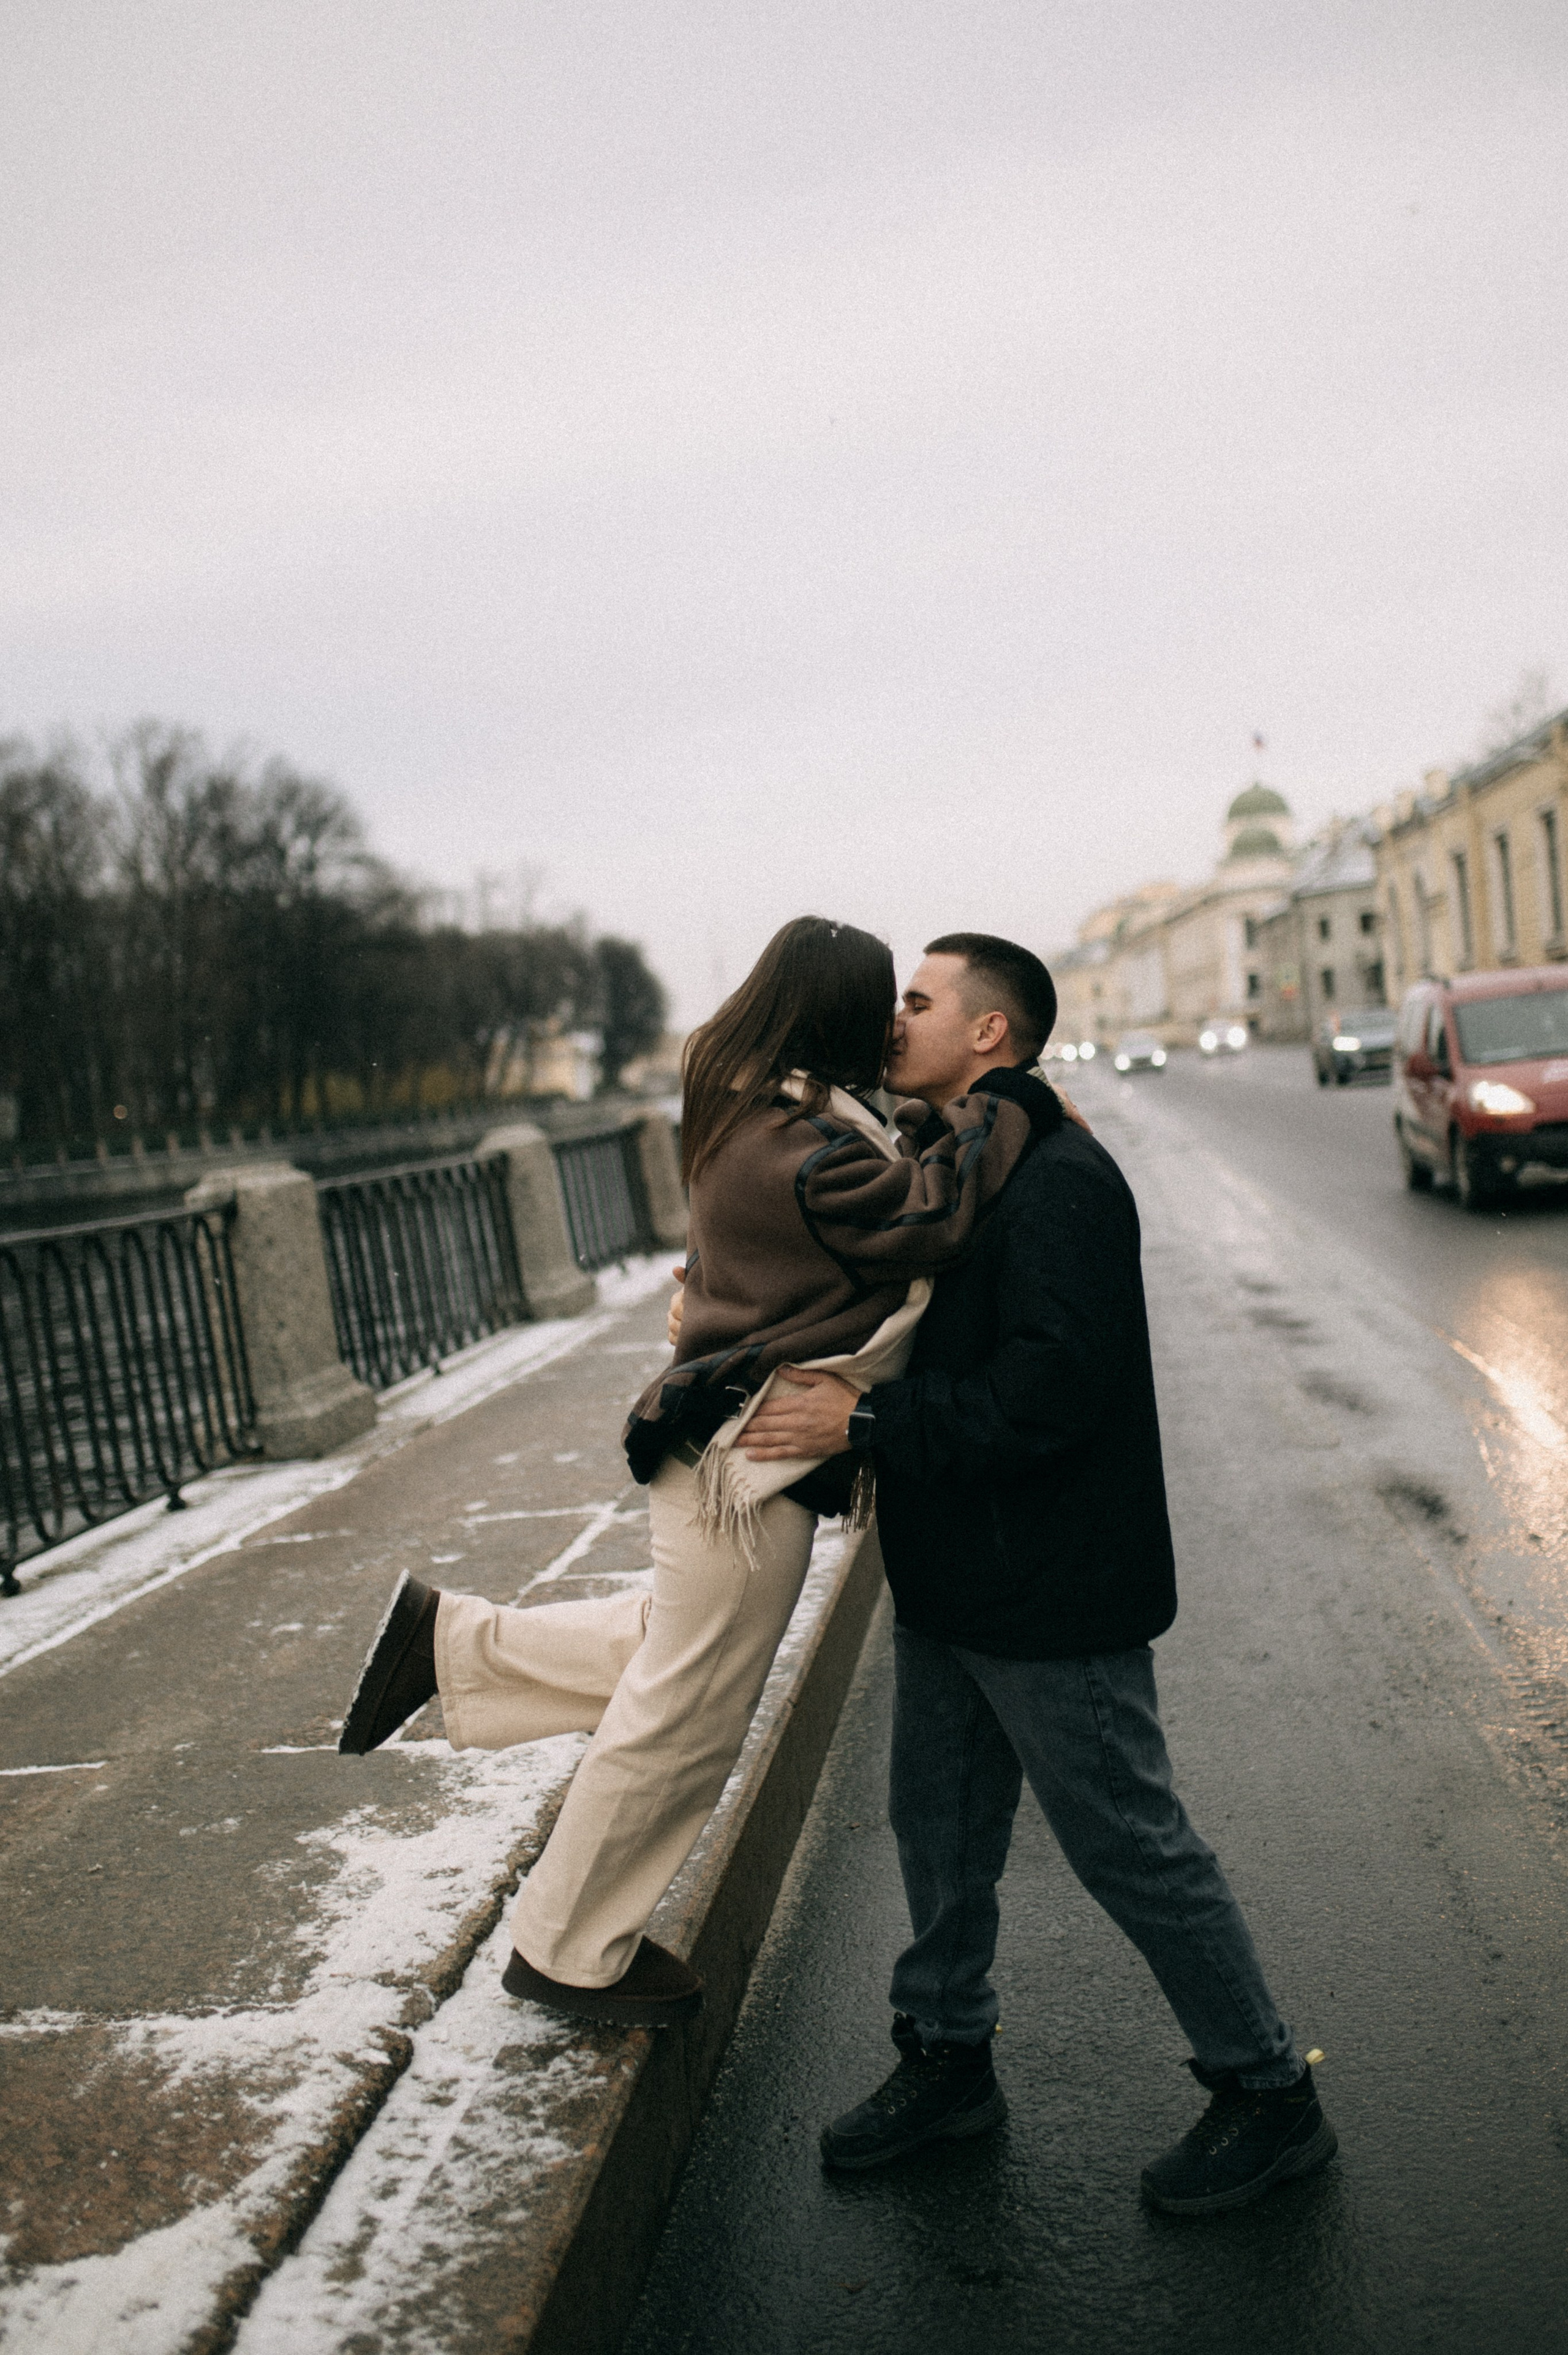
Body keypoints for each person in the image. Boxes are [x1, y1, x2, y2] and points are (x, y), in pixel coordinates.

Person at [335, 915, 1046, 2030]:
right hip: (740, 1463)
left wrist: (936, 1110)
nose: (897, 1021)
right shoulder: (797, 1149)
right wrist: (1005, 1105)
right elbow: (930, 1216)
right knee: (690, 1708)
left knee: (680, 1653)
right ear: (840, 1013)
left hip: (724, 1451)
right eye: (887, 1003)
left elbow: (880, 1159)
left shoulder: (778, 1113)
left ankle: (449, 1645)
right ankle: (566, 1948)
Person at [739, 934, 1336, 2217]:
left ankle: (1267, 2090)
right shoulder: (952, 1169)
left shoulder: (1058, 1180)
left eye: (916, 1000)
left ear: (990, 1036)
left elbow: (1052, 1392)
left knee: (1127, 1840)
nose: (892, 1019)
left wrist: (861, 1426)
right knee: (937, 1830)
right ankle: (946, 2058)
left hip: (1053, 1586)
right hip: (955, 1577)